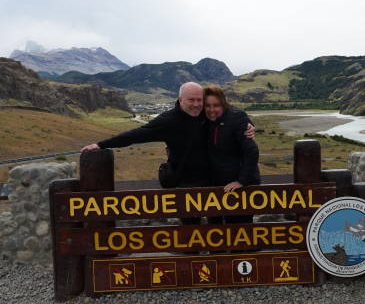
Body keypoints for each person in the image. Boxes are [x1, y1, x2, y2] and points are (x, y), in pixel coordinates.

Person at [81, 82, 254, 225]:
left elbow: (229, 114)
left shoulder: (205, 113)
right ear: (180, 100)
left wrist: (248, 125)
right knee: (191, 231)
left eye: (199, 100)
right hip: (186, 184)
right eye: (191, 100)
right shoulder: (168, 121)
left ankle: (217, 255)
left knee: (217, 228)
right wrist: (101, 145)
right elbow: (136, 135)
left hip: (214, 181)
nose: (196, 104)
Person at [203, 85, 260, 225]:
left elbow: (252, 151)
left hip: (240, 186)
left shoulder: (237, 117)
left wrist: (241, 181)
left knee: (239, 228)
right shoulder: (203, 119)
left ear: (223, 104)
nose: (211, 110)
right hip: (215, 186)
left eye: (216, 105)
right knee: (214, 228)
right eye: (207, 105)